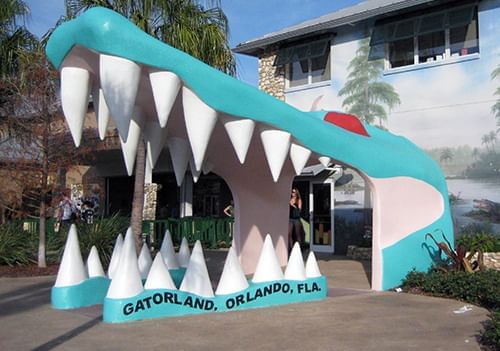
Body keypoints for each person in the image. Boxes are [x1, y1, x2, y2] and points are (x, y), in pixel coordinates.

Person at [288, 187, 303, 252]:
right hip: (290, 219)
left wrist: (293, 205)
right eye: (292, 192)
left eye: (294, 192)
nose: (292, 193)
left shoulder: (298, 200)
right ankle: (291, 249)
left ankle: (298, 249)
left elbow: (299, 211)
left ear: (296, 193)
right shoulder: (289, 199)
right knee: (289, 233)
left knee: (297, 234)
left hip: (296, 219)